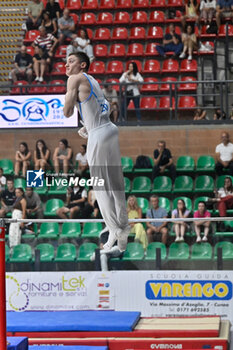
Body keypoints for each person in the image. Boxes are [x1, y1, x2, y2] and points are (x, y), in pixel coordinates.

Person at [63, 52, 131, 252]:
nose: (67, 65)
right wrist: (88, 126)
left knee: (100, 188)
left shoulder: (74, 79)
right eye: (66, 61)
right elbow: (99, 108)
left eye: (71, 61)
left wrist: (69, 94)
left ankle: (114, 230)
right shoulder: (93, 81)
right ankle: (123, 230)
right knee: (117, 185)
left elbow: (66, 112)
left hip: (99, 135)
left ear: (82, 65)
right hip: (110, 129)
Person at [9, 188, 27, 252]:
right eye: (16, 192)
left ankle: (16, 249)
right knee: (11, 233)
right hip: (13, 217)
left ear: (22, 193)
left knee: (17, 233)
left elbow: (24, 212)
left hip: (18, 216)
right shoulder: (16, 199)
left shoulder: (23, 200)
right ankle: (11, 249)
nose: (17, 194)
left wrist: (22, 221)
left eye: (18, 192)